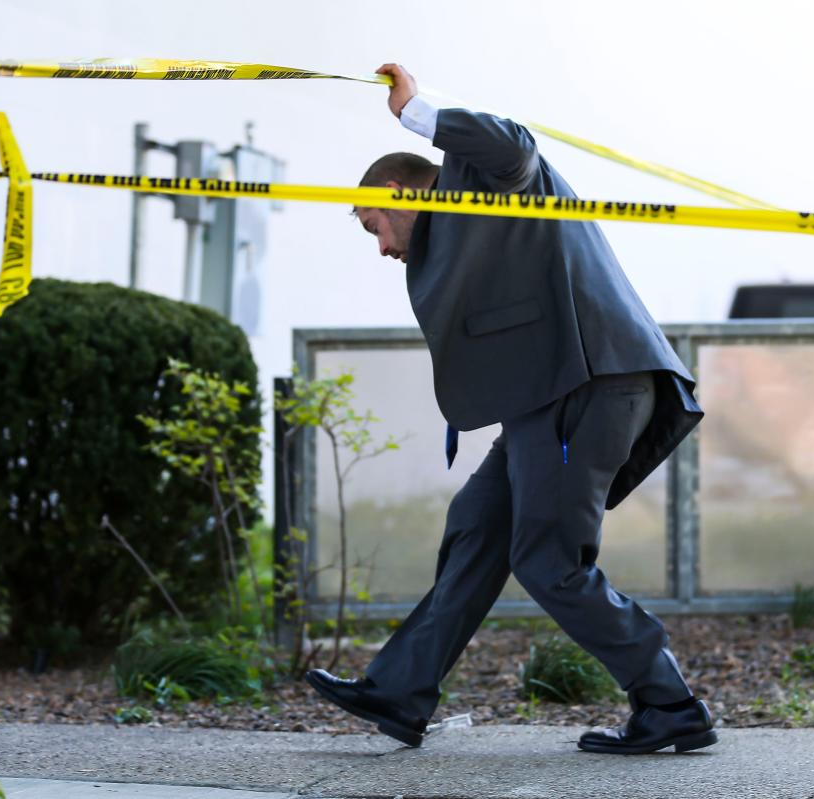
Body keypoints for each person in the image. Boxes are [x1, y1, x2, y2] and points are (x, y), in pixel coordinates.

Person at [306, 63, 716, 755]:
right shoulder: (450, 237)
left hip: (588, 384)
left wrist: (418, 112)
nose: (380, 247)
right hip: (548, 400)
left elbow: (519, 146)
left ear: (400, 191)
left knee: (549, 558)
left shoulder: (488, 181)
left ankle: (669, 701)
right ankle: (401, 688)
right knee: (477, 523)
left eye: (376, 223)